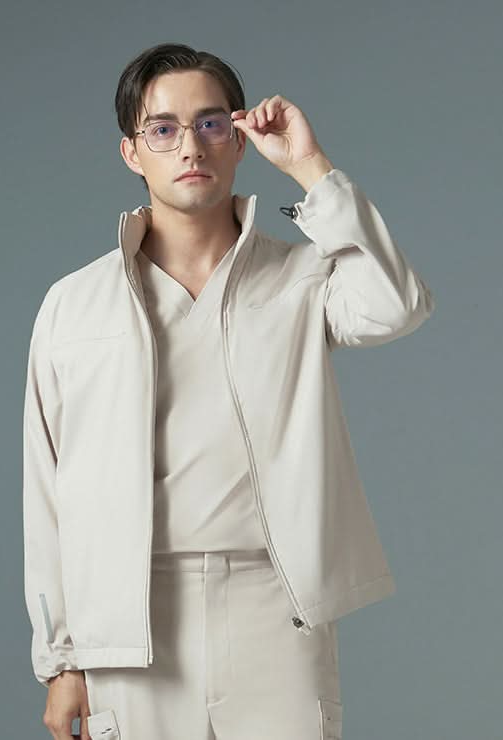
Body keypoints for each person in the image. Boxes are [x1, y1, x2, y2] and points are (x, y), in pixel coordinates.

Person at [22, 42, 435, 740]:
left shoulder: (301, 278)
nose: (191, 146)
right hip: (129, 618)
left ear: (239, 139)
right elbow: (46, 487)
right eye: (163, 128)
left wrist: (310, 166)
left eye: (211, 123)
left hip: (275, 605)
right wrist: (62, 660)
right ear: (132, 152)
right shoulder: (74, 304)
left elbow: (396, 304)